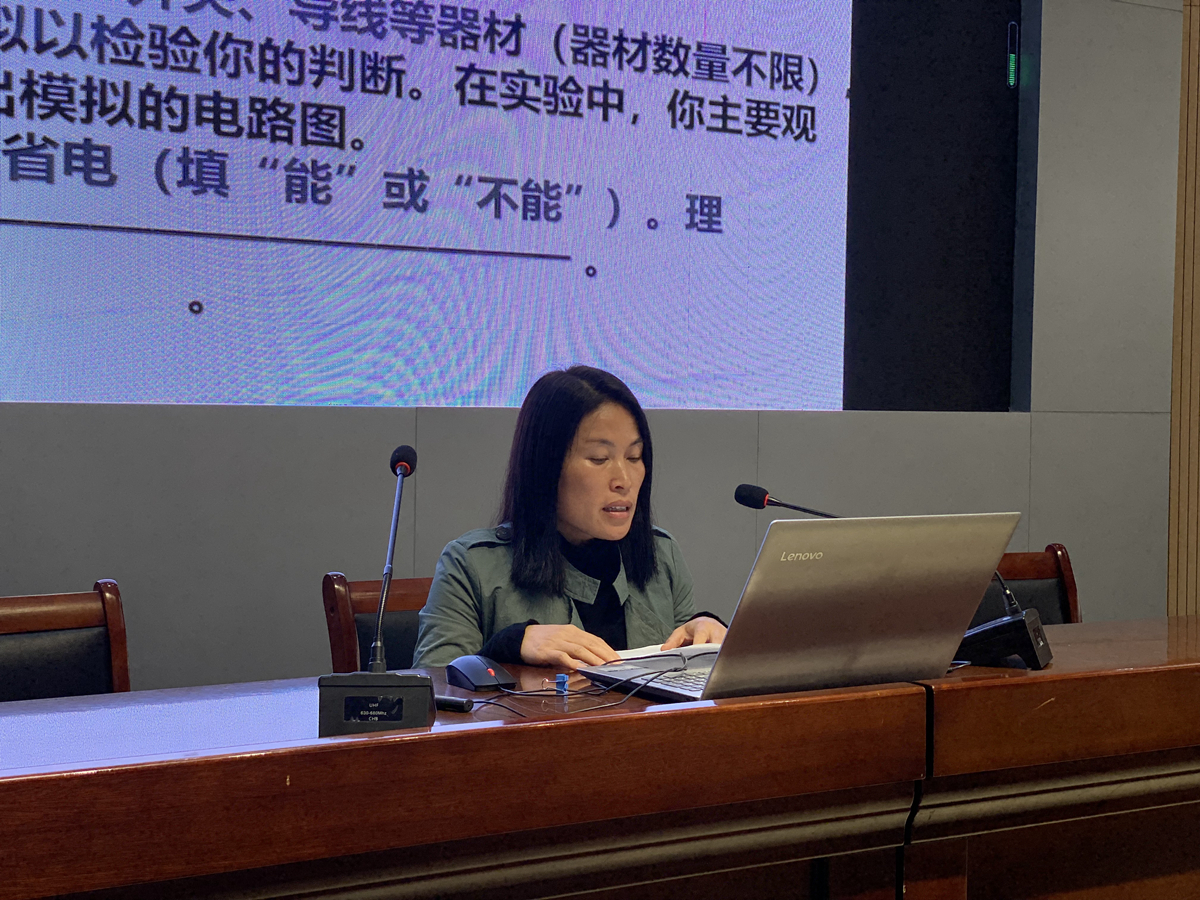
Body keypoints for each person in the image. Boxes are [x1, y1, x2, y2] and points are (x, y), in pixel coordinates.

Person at [413, 366, 727, 669]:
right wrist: (509, 645)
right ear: (546, 467)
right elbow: (430, 688)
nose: (624, 480)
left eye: (634, 457)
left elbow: (687, 682)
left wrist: (705, 637)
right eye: (599, 459)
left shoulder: (662, 554)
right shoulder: (471, 565)